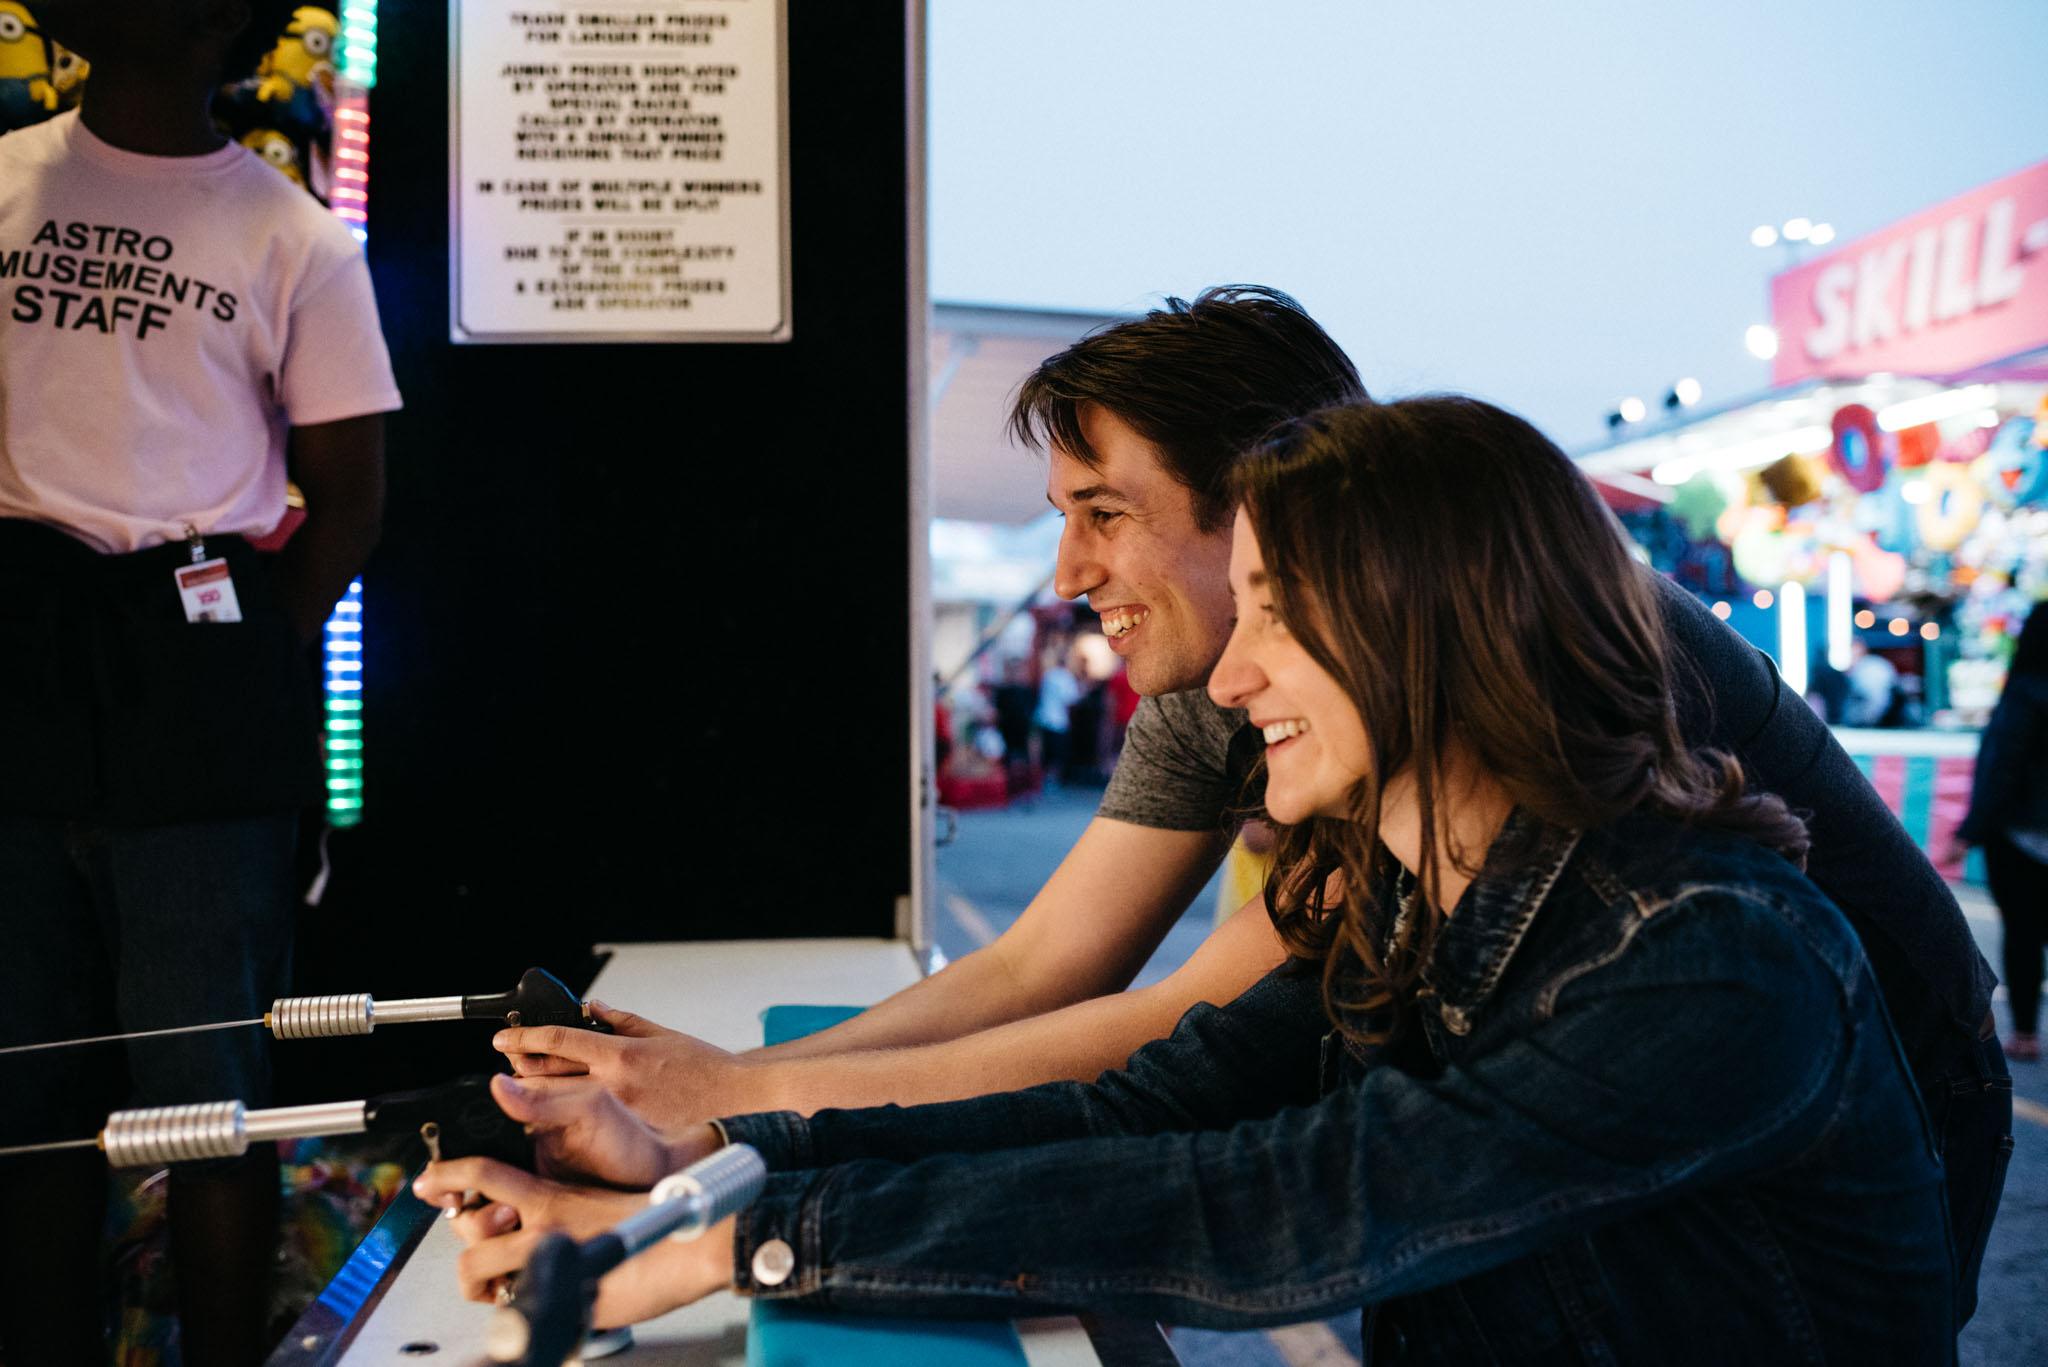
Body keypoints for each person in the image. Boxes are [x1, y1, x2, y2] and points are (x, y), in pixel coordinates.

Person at [499, 285, 2004, 1322]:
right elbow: (1141, 1049)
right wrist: (721, 1145)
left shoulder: (1654, 872)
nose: (1081, 573)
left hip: (1859, 1094)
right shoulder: (1375, 796)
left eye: (1105, 511)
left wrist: (736, 1202)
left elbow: (1263, 1183)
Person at [0, 2, 400, 1363]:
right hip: (18, 664)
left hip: (197, 684)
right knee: (29, 1096)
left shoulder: (293, 235)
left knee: (211, 1098)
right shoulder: (2, 182)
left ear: (235, 22)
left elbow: (347, 503)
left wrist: (226, 664)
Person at [1951, 602, 2048, 1062]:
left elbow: (2000, 766)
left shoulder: (2025, 692)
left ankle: (2026, 1034)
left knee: (2023, 932)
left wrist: (1969, 829)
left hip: (2022, 833)